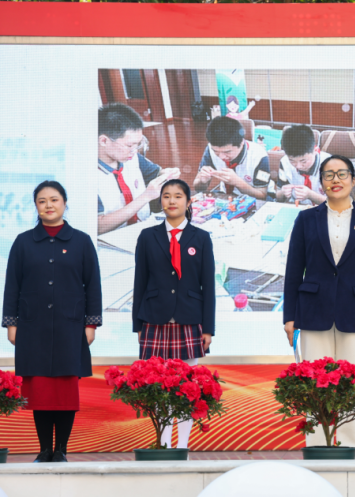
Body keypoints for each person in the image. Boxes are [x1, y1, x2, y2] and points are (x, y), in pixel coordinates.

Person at [283, 155, 355, 460]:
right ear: (321, 182)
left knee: (353, 387)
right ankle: (317, 450)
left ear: (353, 180)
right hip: (313, 313)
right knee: (315, 386)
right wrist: (289, 317)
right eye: (328, 175)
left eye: (342, 174)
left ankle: (352, 454)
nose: (335, 180)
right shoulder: (306, 219)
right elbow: (294, 270)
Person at [2, 181, 102, 462]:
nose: (48, 205)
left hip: (71, 327)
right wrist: (11, 323)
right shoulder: (23, 242)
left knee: (65, 391)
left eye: (54, 200)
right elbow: (12, 285)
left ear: (64, 203)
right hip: (32, 328)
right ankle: (45, 449)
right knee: (41, 392)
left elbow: (93, 285)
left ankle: (61, 450)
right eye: (42, 201)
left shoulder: (81, 241)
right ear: (36, 206)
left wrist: (91, 324)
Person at [133, 179, 216, 451]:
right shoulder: (148, 236)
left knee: (187, 390)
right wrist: (137, 325)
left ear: (188, 202)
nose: (171, 201)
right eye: (166, 196)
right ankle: (164, 445)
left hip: (189, 320)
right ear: (160, 201)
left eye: (178, 196)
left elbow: (208, 286)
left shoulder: (201, 238)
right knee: (159, 388)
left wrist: (208, 328)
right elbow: (140, 281)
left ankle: (183, 447)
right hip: (154, 319)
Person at [97, 103, 180, 235]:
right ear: (104, 141)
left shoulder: (131, 157)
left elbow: (156, 174)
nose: (134, 151)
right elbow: (98, 227)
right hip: (111, 239)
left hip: (143, 229)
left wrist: (167, 174)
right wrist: (146, 197)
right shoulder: (85, 175)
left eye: (138, 144)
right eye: (129, 145)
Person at [193, 116, 270, 200]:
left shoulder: (259, 156)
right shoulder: (210, 149)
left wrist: (238, 182)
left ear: (241, 143)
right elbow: (198, 188)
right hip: (226, 196)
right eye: (216, 151)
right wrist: (202, 181)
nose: (221, 157)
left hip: (254, 198)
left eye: (227, 152)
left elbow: (262, 195)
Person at [276, 125, 330, 206]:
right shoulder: (285, 162)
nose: (298, 166)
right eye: (292, 161)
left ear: (315, 150)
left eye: (303, 161)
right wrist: (282, 193)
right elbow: (278, 197)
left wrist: (311, 195)